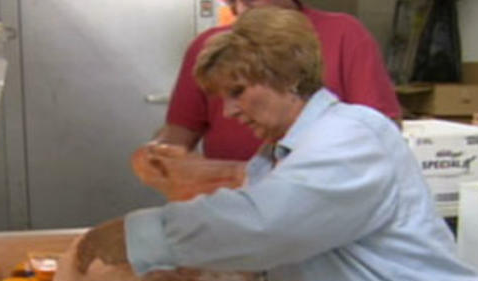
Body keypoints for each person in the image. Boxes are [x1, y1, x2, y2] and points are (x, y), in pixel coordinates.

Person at [76, 7, 478, 281]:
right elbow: (277, 260)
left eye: (239, 91)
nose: (228, 111)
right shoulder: (276, 157)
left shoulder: (352, 140)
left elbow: (264, 225)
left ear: (287, 77)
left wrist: (138, 234)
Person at [150, 0, 401, 161]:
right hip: (235, 207)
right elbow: (179, 133)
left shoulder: (345, 34)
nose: (230, 111)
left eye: (238, 92)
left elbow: (380, 133)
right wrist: (162, 156)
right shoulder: (210, 48)